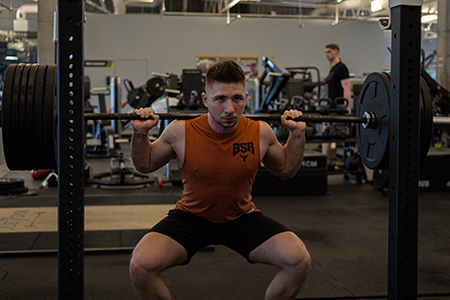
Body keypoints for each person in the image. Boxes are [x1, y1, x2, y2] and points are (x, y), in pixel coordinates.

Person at [129, 60, 311, 300]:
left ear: (246, 97)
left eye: (237, 99)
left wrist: (297, 134)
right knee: (140, 266)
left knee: (299, 261)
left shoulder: (260, 132)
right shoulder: (180, 131)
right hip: (191, 218)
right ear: (206, 100)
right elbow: (145, 165)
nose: (230, 109)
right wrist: (140, 132)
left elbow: (287, 170)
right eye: (220, 99)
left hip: (242, 217)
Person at [322, 44, 352, 166]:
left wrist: (347, 106)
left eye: (329, 51)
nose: (326, 54)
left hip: (339, 106)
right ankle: (325, 162)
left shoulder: (341, 68)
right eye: (325, 52)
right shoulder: (332, 69)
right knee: (327, 132)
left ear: (336, 52)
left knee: (343, 134)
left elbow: (347, 88)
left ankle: (348, 161)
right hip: (331, 106)